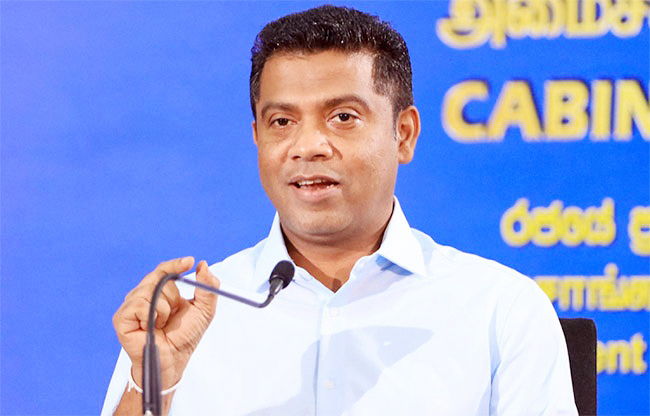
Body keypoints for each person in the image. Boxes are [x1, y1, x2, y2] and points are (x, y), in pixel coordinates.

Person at [102, 5, 578, 415]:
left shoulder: (500, 310)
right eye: (282, 121)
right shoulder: (185, 313)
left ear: (404, 134)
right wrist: (152, 385)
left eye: (343, 117)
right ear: (257, 138)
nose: (308, 145)